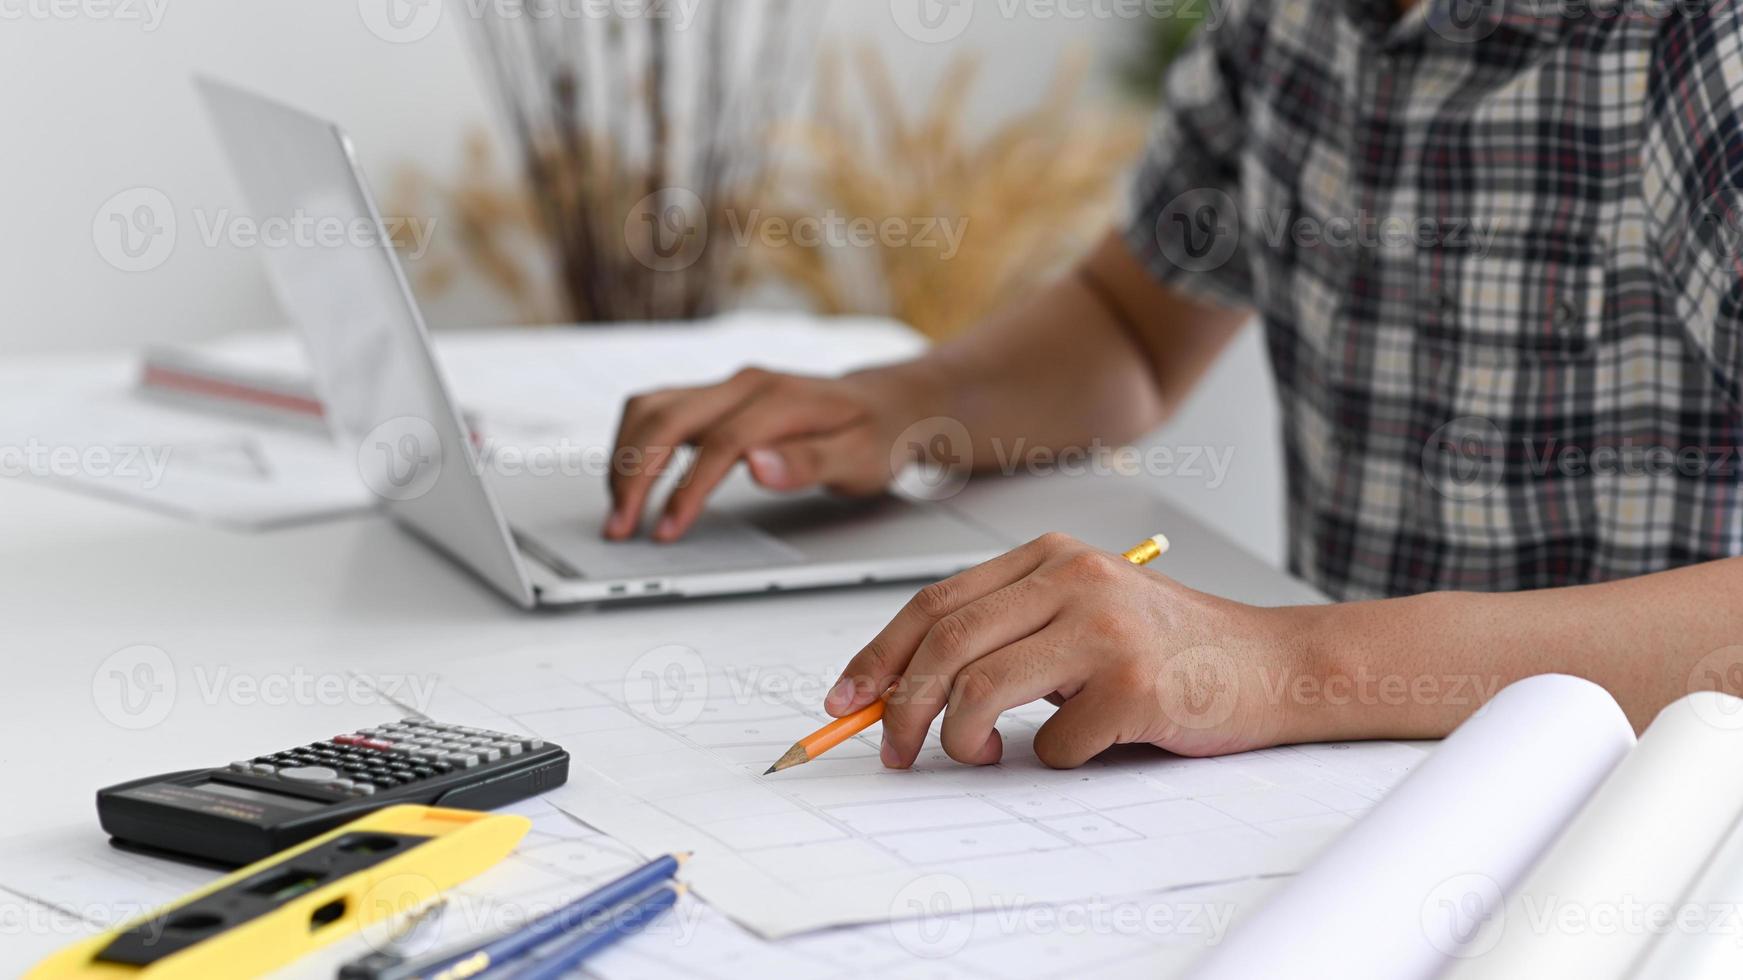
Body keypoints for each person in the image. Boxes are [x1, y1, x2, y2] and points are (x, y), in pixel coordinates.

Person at [602, 0, 1743, 770]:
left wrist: (1284, 661)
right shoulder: (1286, 20)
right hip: (1360, 782)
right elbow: (1136, 327)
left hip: (1662, 824)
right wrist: (905, 403)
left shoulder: (1706, 49)